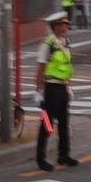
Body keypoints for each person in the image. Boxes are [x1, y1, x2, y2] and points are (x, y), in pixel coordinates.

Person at [34, 12, 78, 172]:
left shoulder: (65, 42)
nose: (66, 27)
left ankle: (63, 155)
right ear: (55, 26)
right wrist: (38, 91)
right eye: (63, 24)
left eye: (66, 24)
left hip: (62, 87)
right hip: (51, 88)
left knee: (64, 124)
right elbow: (41, 67)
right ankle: (41, 159)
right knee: (47, 124)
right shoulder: (48, 43)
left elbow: (66, 65)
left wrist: (68, 86)